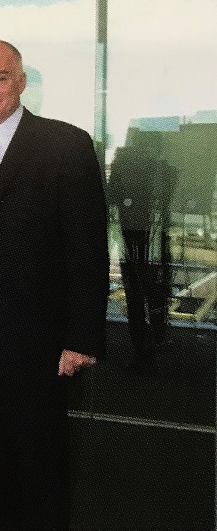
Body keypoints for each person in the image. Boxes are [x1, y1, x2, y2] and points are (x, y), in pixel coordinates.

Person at [0, 39, 108, 530]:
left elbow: (87, 248)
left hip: (37, 342)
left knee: (41, 470)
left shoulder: (64, 145)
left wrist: (80, 337)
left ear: (21, 82)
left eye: (0, 77)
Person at [106, 141, 177, 371]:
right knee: (151, 290)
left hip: (135, 234)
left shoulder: (127, 166)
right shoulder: (159, 168)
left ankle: (143, 343)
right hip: (145, 235)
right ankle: (152, 339)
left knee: (138, 290)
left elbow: (112, 198)